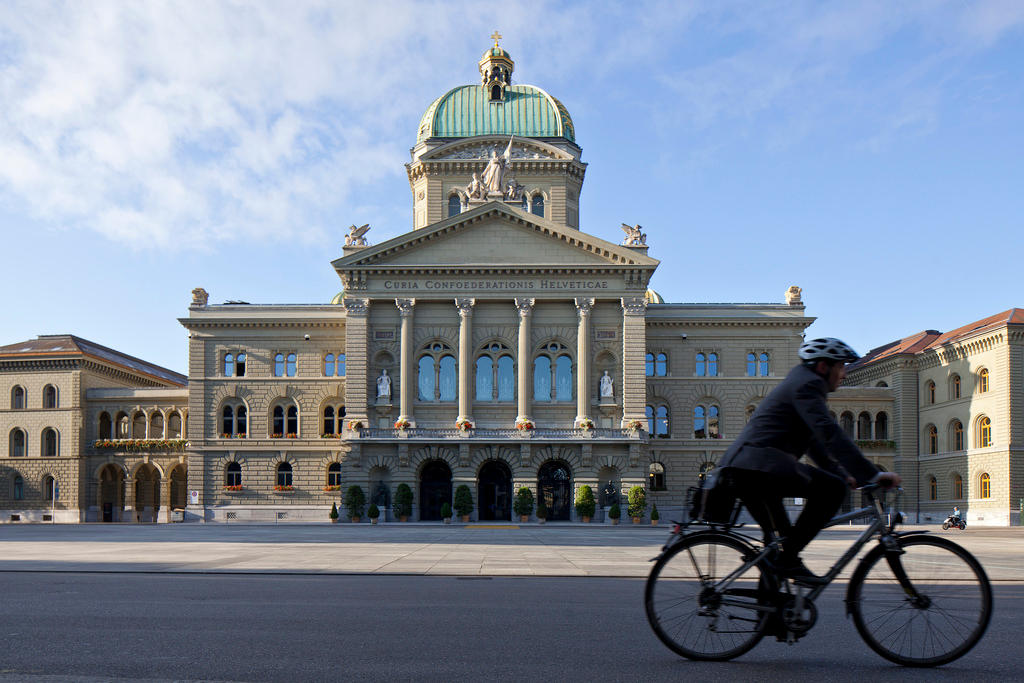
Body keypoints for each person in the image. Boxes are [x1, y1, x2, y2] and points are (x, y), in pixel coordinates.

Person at [718, 337, 902, 583]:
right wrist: (871, 475)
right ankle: (786, 564)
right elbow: (828, 432)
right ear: (823, 367)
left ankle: (773, 613)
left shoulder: (801, 382)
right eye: (841, 366)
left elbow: (814, 442)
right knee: (832, 491)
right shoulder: (808, 385)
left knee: (779, 547)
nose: (844, 374)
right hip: (757, 469)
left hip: (749, 469)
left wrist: (840, 472)